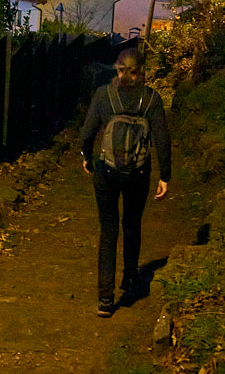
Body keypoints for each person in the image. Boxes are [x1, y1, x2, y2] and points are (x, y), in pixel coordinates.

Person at [79, 47, 171, 318]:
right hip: (138, 173)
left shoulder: (103, 95)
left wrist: (86, 156)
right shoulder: (151, 99)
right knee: (132, 224)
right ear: (142, 71)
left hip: (106, 171)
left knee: (108, 231)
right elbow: (162, 140)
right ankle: (130, 278)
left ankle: (105, 299)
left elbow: (87, 133)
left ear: (117, 69)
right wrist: (165, 175)